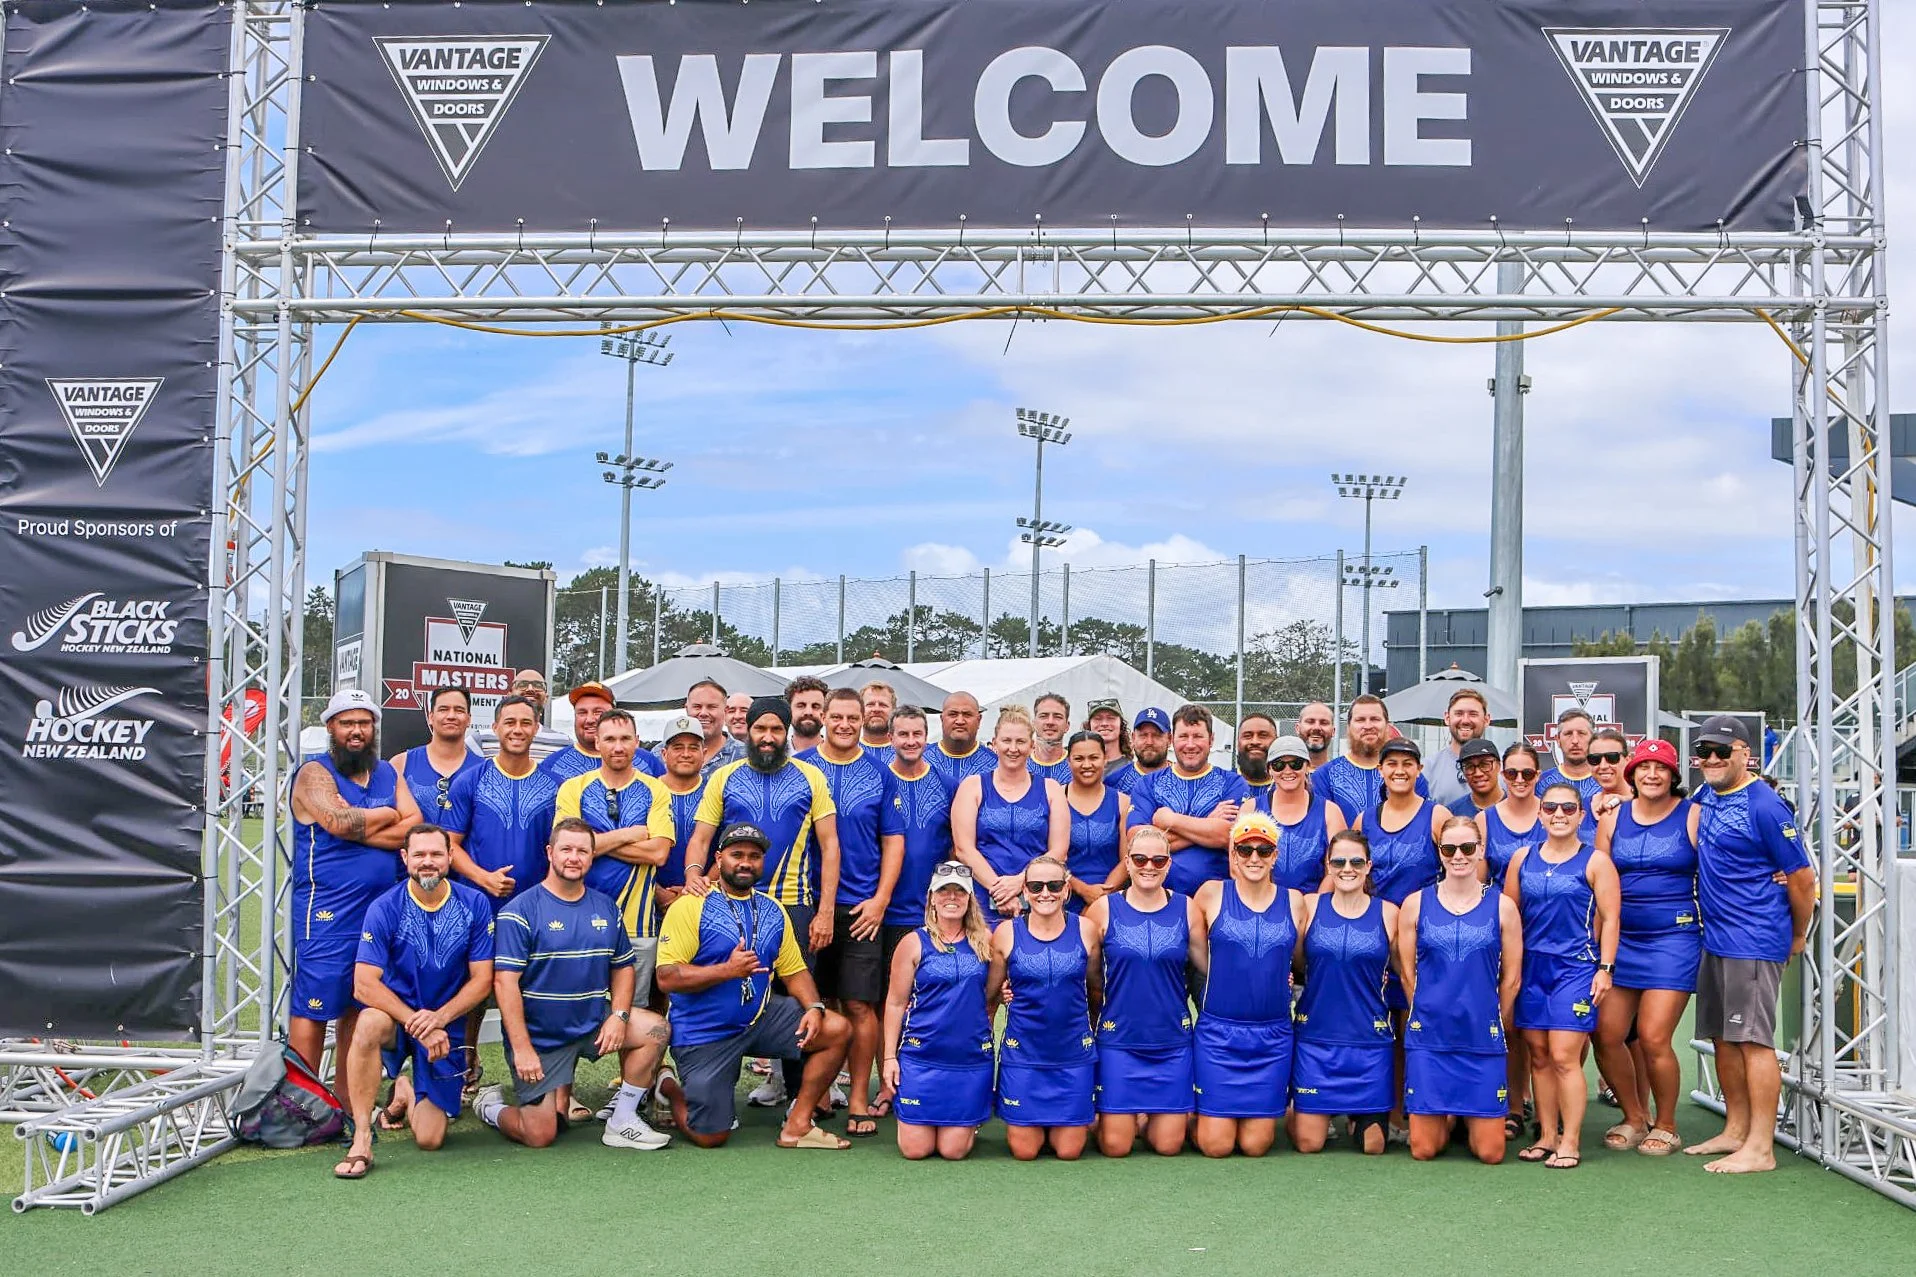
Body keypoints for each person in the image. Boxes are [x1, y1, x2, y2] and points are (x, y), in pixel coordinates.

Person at [654, 822, 855, 1150]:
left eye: (754, 856)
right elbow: (667, 977)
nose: (745, 863)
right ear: (719, 858)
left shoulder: (773, 909)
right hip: (704, 1032)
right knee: (710, 1136)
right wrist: (727, 970)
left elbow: (795, 972)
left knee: (836, 1028)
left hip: (759, 1018)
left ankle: (798, 1124)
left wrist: (814, 1007)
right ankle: (668, 1087)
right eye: (737, 855)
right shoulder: (690, 905)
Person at [474, 819, 673, 1150]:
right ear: (550, 852)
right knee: (541, 1134)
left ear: (592, 856)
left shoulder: (606, 907)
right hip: (541, 1038)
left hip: (591, 1023)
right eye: (566, 849)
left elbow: (623, 967)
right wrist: (522, 1049)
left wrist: (619, 1015)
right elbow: (505, 984)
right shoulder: (519, 911)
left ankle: (622, 1120)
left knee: (656, 1029)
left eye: (582, 851)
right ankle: (490, 1107)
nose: (574, 857)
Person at [685, 696, 840, 1112]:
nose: (768, 737)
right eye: (760, 729)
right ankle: (725, 1091)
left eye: (776, 729)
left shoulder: (811, 776)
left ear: (786, 733)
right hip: (731, 905)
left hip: (793, 905)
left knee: (797, 999)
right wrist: (694, 873)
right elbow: (701, 838)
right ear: (748, 732)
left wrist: (825, 911)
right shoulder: (724, 777)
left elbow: (829, 846)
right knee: (731, 992)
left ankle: (799, 1098)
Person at [1684, 714, 1814, 1174]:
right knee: (1723, 1038)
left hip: (1753, 939)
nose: (1712, 759)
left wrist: (1796, 934)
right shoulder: (1707, 794)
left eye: (1722, 751)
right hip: (1717, 937)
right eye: (1704, 752)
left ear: (1746, 754)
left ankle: (1761, 1146)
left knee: (1753, 1041)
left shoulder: (1766, 806)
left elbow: (1802, 878)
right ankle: (1736, 1130)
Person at [334, 824, 494, 1179]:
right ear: (405, 858)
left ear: (450, 857)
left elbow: (483, 980)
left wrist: (439, 1019)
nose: (428, 862)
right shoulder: (385, 907)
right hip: (396, 1018)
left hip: (445, 1025)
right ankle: (362, 1137)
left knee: (430, 1139)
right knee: (368, 1022)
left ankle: (404, 1091)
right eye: (419, 854)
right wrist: (416, 1023)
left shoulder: (475, 904)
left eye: (436, 854)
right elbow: (363, 985)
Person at [289, 689, 423, 1099]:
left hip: (379, 910)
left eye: (364, 723)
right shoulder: (314, 773)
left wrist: (360, 826)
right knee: (313, 1007)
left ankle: (347, 1106)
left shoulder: (387, 773)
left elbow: (414, 827)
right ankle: (302, 1105)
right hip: (326, 911)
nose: (356, 731)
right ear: (331, 727)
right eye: (347, 723)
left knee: (359, 1004)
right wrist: (387, 814)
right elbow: (338, 822)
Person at [799, 687, 904, 1138]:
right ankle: (817, 1091)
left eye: (852, 718)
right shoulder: (801, 768)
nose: (844, 725)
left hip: (861, 906)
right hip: (807, 902)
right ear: (823, 717)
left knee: (861, 1004)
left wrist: (880, 900)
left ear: (864, 721)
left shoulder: (880, 772)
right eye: (837, 716)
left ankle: (859, 1095)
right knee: (816, 1001)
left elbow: (893, 841)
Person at [1593, 738, 1701, 1157]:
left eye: (1661, 768)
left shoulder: (1693, 814)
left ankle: (1667, 1124)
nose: (1652, 775)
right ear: (1632, 774)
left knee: (1654, 1037)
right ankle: (1635, 1117)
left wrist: (1774, 876)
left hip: (1673, 938)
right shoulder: (1612, 818)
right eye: (1644, 767)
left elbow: (1725, 864)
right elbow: (1599, 881)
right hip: (1623, 940)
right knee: (1607, 1033)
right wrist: (1598, 948)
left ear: (1673, 776)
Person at [1505, 786, 1621, 1170]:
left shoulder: (1596, 861)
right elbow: (1510, 915)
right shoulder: (1522, 858)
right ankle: (1547, 1136)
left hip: (1575, 967)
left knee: (1563, 1056)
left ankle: (1570, 1140)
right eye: (1551, 807)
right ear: (1540, 814)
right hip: (1532, 968)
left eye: (1568, 807)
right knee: (1538, 1055)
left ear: (1581, 815)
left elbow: (1611, 918)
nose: (1559, 814)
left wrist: (1605, 969)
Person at [1397, 818, 1523, 1164]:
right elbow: (1407, 973)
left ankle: (1466, 1116)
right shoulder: (1415, 904)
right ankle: (1450, 1116)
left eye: (1467, 848)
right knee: (1424, 1149)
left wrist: (1492, 1019)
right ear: (1439, 852)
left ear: (1481, 850)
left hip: (1480, 1039)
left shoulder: (1503, 906)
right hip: (1430, 1039)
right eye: (1449, 848)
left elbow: (1512, 979)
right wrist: (1427, 1012)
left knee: (1490, 1153)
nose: (1458, 856)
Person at [1087, 826, 1208, 1156]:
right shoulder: (1102, 910)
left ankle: (1142, 1117)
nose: (1149, 867)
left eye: (1158, 860)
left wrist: (1274, 976)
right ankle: (1110, 1119)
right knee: (1115, 1146)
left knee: (1169, 1146)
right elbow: (1088, 977)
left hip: (1171, 1042)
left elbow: (1210, 970)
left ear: (1169, 864)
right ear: (1127, 862)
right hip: (1120, 1041)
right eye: (1140, 859)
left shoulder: (1187, 909)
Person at [1192, 812, 1307, 1157]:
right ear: (1233, 855)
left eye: (1263, 850)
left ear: (1275, 855)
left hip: (1271, 1037)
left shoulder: (1295, 901)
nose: (1254, 857)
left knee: (1256, 1145)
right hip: (1219, 1034)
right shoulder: (1210, 894)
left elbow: (1299, 959)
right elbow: (1194, 952)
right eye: (1245, 849)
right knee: (1216, 1146)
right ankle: (1186, 1117)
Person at [553, 708, 673, 1006]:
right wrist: (630, 834)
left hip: (638, 926)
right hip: (579, 921)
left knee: (632, 1014)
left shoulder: (655, 789)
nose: (618, 747)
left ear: (637, 742)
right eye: (609, 739)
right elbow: (566, 850)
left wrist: (593, 843)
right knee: (577, 1009)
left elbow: (659, 853)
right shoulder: (574, 788)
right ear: (597, 742)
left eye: (625, 739)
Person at [986, 853, 1103, 1160]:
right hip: (1024, 1055)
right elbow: (990, 996)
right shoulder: (1006, 933)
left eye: (1054, 885)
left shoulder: (1087, 930)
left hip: (1072, 1055)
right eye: (1036, 887)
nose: (1045, 893)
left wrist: (1094, 1036)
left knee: (1069, 1151)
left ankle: (1079, 1119)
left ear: (1067, 889)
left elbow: (1095, 990)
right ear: (1025, 891)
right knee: (1024, 1151)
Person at [1292, 829, 1398, 1155]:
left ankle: (1355, 1116)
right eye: (1338, 862)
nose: (1347, 869)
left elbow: (1404, 970)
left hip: (1369, 1044)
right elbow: (1298, 962)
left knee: (1373, 1146)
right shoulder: (1309, 906)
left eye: (1356, 862)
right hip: (1317, 1041)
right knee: (1309, 1144)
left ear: (1368, 866)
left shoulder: (1389, 913)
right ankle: (1300, 1106)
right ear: (1328, 865)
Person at [882, 861, 997, 1159]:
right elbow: (895, 1003)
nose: (951, 897)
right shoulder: (912, 942)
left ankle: (968, 1125)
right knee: (915, 1150)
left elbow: (994, 992)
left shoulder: (986, 941)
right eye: (944, 891)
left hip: (969, 1059)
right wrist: (889, 1057)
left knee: (953, 1151)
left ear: (970, 899)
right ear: (932, 897)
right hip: (922, 1057)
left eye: (959, 892)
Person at [447, 696, 562, 919]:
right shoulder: (470, 781)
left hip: (537, 909)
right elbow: (448, 844)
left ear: (536, 729)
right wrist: (484, 878)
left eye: (525, 723)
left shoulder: (556, 786)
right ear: (495, 727)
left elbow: (563, 848)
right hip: (478, 907)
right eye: (509, 722)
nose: (517, 730)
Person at [951, 705, 1070, 918]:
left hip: (1039, 897)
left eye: (1021, 742)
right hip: (983, 899)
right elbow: (964, 849)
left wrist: (1021, 881)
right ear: (994, 744)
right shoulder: (972, 787)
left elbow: (1059, 851)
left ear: (1032, 746)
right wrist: (999, 892)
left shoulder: (1051, 789)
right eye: (1006, 741)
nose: (1013, 749)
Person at [1128, 705, 1250, 896]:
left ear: (1211, 740)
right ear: (1172, 740)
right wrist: (1208, 824)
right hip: (1158, 897)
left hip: (1217, 898)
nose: (1190, 744)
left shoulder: (1232, 783)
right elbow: (1138, 841)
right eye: (1183, 736)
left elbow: (1228, 836)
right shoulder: (1148, 784)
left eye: (1198, 736)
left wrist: (1170, 820)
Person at [883, 706, 955, 1005]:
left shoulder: (947, 785)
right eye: (903, 734)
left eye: (917, 734)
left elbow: (956, 848)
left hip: (933, 912)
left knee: (932, 996)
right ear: (890, 737)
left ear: (927, 737)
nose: (911, 741)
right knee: (886, 997)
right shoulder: (878, 781)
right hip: (886, 912)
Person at [1312, 695, 1428, 824]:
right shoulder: (1325, 776)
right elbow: (1320, 827)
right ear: (1349, 727)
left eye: (1375, 719)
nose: (1368, 726)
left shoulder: (1411, 776)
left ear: (1387, 725)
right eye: (1360, 720)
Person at [1266, 734, 1346, 894]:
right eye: (1279, 765)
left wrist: (1315, 903)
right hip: (1264, 903)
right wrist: (1271, 903)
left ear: (1308, 766)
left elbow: (1338, 867)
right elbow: (1238, 866)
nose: (1287, 770)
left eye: (1295, 764)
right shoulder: (1251, 809)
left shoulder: (1330, 812)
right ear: (1269, 770)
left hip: (1316, 903)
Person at [390, 685, 483, 821]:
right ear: (430, 717)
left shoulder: (484, 770)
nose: (451, 716)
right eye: (443, 709)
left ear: (469, 719)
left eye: (459, 710)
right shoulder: (400, 764)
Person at [541, 681, 662, 784]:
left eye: (598, 712)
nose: (589, 719)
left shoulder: (648, 762)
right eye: (582, 713)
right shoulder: (552, 766)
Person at [1064, 730, 1130, 913]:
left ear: (1105, 759)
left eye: (1094, 757)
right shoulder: (1056, 798)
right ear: (1068, 761)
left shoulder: (1122, 802)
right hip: (1062, 896)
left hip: (1111, 899)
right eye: (1079, 759)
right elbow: (1049, 857)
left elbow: (1127, 860)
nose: (1087, 765)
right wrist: (1083, 890)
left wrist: (1100, 898)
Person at [652, 714, 709, 914]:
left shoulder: (715, 792)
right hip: (651, 902)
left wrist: (697, 888)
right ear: (664, 753)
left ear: (704, 753)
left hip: (704, 899)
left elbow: (726, 849)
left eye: (693, 748)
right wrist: (659, 893)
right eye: (677, 747)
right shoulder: (646, 792)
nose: (686, 754)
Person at [1478, 742, 1544, 885]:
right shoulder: (1484, 820)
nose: (1519, 780)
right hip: (1497, 898)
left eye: (1527, 774)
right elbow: (1478, 882)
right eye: (1512, 774)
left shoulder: (1553, 813)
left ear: (1537, 775)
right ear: (1503, 775)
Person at [473, 668, 570, 762]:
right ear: (509, 694)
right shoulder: (480, 740)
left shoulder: (563, 744)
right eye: (522, 684)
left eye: (538, 685)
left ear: (546, 698)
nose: (530, 689)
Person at [1424, 688, 1490, 811]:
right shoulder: (1427, 768)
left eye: (1473, 714)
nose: (1465, 720)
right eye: (1459, 714)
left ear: (1486, 719)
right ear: (1447, 718)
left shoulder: (1504, 769)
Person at [927, 691, 997, 791]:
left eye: (967, 714)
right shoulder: (920, 762)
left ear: (979, 720)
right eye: (953, 714)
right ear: (942, 719)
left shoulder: (996, 766)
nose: (960, 721)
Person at [1538, 707, 1600, 815]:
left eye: (1581, 733)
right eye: (1568, 734)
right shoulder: (1541, 783)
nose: (1575, 741)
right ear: (1558, 740)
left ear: (1593, 739)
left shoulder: (1606, 781)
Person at [686, 678, 746, 775]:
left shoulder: (745, 756)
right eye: (697, 707)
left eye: (711, 707)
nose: (703, 713)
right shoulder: (665, 754)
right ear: (687, 709)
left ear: (725, 711)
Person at [1583, 726, 1634, 839]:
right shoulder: (1580, 808)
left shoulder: (1647, 805)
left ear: (1628, 760)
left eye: (1612, 758)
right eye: (1595, 759)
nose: (1603, 766)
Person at [1108, 706, 1171, 796]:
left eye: (1156, 735)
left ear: (1169, 739)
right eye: (1143, 735)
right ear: (1133, 738)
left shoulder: (1185, 779)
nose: (1149, 742)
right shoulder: (1113, 783)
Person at [1447, 737, 1505, 819]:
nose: (1478, 773)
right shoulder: (1452, 814)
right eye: (1470, 767)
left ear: (1498, 766)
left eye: (1485, 765)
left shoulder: (1516, 807)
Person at [1235, 712, 1279, 813]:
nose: (1255, 741)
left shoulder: (1290, 786)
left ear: (1276, 741)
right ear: (1238, 743)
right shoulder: (1222, 783)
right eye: (1247, 736)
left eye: (1263, 735)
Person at [1030, 692, 1073, 784]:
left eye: (1057, 717)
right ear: (1034, 723)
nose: (1050, 722)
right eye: (1043, 716)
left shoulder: (1077, 767)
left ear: (1067, 726)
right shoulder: (1019, 767)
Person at [1084, 697, 1131, 776]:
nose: (1104, 723)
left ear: (1121, 726)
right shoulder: (1076, 769)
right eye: (1098, 719)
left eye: (1111, 718)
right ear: (1089, 727)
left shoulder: (1132, 771)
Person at [785, 674, 830, 756]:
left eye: (815, 706)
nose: (808, 712)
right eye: (801, 706)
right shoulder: (776, 756)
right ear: (789, 710)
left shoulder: (838, 756)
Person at [1294, 702, 1337, 771]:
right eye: (1310, 722)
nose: (1316, 728)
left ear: (1333, 731)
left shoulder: (1342, 775)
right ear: (1297, 728)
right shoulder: (1283, 774)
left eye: (1324, 723)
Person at [859, 681, 897, 755]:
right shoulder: (844, 752)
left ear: (894, 711)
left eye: (883, 705)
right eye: (870, 704)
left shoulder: (910, 753)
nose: (876, 709)